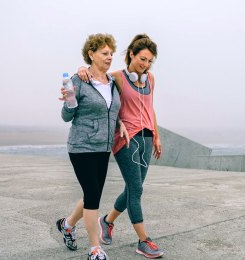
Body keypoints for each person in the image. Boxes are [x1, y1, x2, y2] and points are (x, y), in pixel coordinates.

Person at [78, 34, 164, 259]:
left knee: (132, 189)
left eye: (149, 61)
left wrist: (156, 135)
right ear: (131, 55)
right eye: (142, 59)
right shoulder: (117, 77)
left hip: (146, 139)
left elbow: (151, 108)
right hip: (125, 140)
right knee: (136, 189)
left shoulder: (150, 79)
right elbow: (96, 76)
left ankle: (107, 222)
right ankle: (144, 241)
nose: (145, 65)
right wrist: (81, 69)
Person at [57, 33, 129, 260]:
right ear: (91, 54)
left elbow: (111, 110)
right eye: (104, 53)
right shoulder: (79, 81)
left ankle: (67, 225)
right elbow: (66, 116)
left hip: (103, 147)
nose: (109, 57)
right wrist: (69, 101)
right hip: (81, 146)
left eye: (111, 54)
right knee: (92, 195)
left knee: (93, 194)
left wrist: (120, 124)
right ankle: (95, 248)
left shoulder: (112, 83)